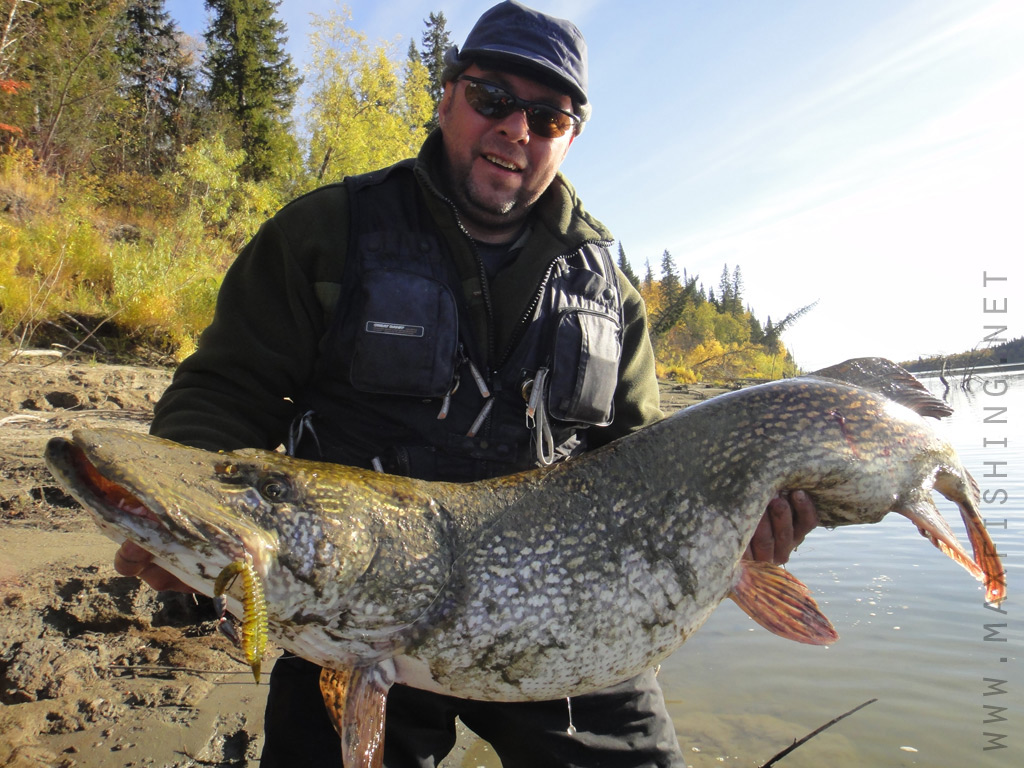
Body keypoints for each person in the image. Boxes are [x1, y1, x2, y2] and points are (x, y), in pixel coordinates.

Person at [113, 2, 818, 766]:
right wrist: (184, 521)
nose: (518, 128)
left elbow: (653, 466)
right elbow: (223, 391)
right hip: (356, 614)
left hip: (570, 627)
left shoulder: (612, 293)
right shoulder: (325, 234)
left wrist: (745, 533)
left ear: (571, 137)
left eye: (548, 117)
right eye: (493, 99)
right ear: (447, 96)